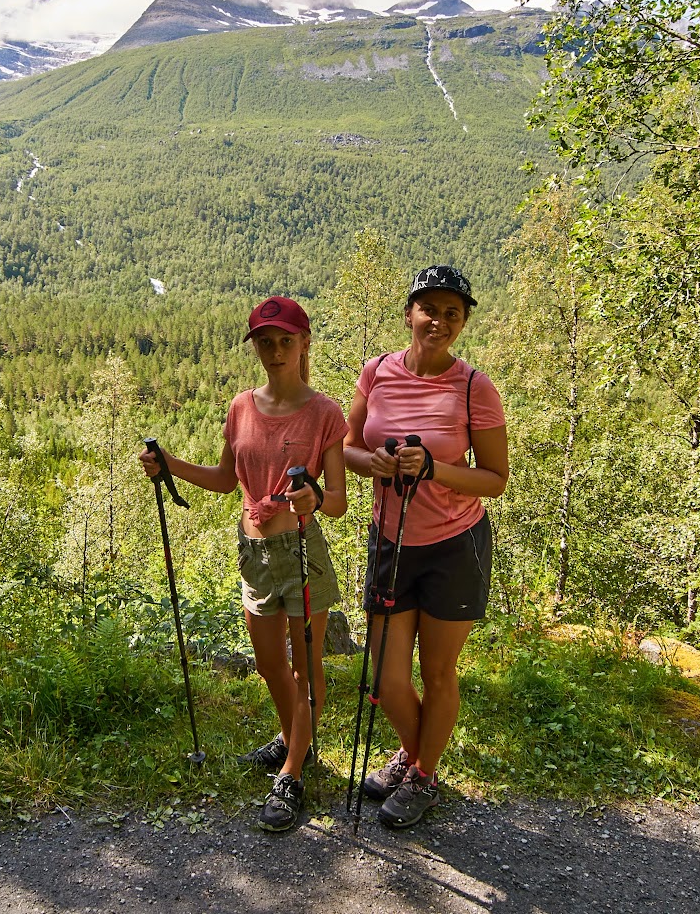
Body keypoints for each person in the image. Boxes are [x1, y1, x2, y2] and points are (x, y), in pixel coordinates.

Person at [139, 296, 347, 832]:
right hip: (252, 550)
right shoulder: (240, 408)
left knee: (305, 669)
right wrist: (170, 467)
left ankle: (294, 772)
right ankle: (293, 740)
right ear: (254, 346)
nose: (275, 352)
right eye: (265, 342)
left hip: (300, 549)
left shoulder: (325, 412)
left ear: (304, 344)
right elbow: (226, 479)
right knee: (268, 665)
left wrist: (313, 499)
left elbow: (339, 501)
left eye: (285, 341)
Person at [344, 264, 509, 828]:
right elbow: (347, 448)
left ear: (462, 324)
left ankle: (421, 774)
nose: (438, 321)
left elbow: (494, 479)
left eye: (452, 313)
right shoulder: (376, 373)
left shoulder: (473, 387)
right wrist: (376, 462)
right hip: (390, 540)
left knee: (438, 673)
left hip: (454, 544)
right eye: (429, 309)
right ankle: (420, 763)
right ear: (409, 312)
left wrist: (435, 468)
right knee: (388, 678)